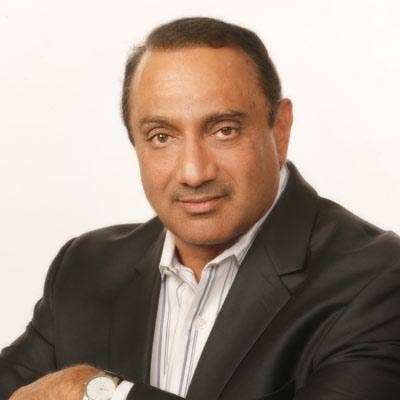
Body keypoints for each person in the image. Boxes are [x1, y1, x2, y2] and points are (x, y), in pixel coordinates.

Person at [1, 16, 400, 400]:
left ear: (280, 129)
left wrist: (100, 393)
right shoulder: (85, 268)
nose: (193, 172)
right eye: (161, 136)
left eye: (224, 130)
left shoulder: (377, 280)